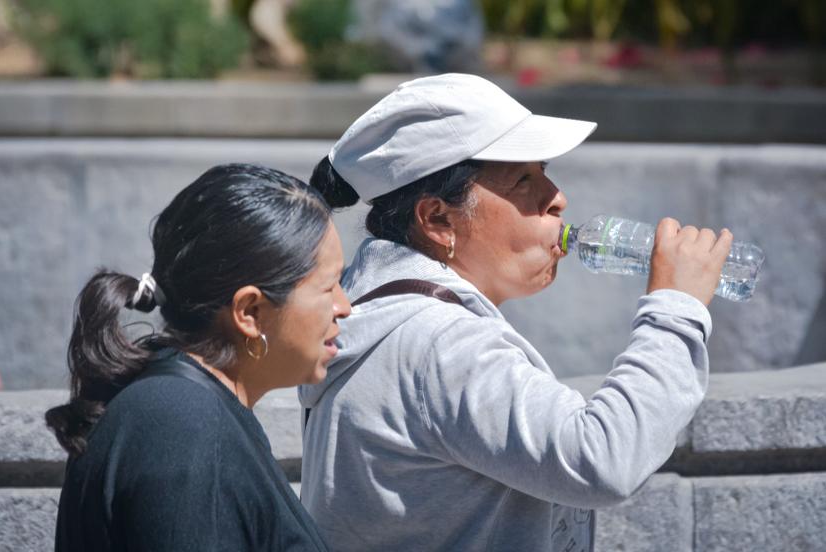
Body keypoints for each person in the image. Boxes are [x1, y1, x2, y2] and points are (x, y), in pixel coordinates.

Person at [299, 74, 733, 551]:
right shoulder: (438, 343)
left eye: (543, 170)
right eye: (523, 179)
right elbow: (602, 460)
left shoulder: (381, 315)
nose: (557, 197)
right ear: (438, 219)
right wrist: (675, 309)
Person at [47, 163, 351, 551]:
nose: (345, 306)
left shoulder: (189, 409)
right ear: (250, 313)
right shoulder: (181, 427)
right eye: (329, 287)